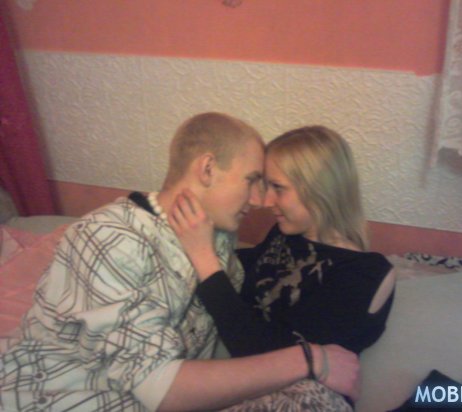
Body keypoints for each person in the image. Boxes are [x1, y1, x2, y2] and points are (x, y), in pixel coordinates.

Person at [0, 114, 359, 412]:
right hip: (58, 396)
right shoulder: (110, 237)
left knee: (319, 399)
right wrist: (309, 359)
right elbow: (161, 388)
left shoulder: (218, 235)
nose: (259, 199)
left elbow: (243, 309)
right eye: (251, 181)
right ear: (208, 169)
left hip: (151, 396)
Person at [170, 125, 396, 406]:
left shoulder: (364, 273)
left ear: (319, 189)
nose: (265, 201)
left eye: (277, 187)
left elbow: (263, 355)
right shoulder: (284, 234)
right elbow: (245, 272)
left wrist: (204, 257)